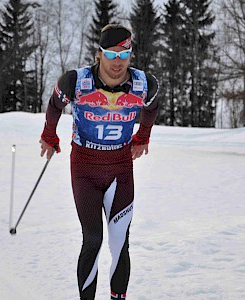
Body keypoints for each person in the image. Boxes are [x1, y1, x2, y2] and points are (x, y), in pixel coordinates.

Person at [39, 24, 159, 300]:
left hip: (120, 169)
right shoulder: (76, 81)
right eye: (111, 54)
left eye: (124, 54)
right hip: (85, 168)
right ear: (99, 54)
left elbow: (151, 108)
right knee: (92, 239)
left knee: (120, 244)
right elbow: (55, 105)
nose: (117, 62)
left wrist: (143, 136)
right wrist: (49, 134)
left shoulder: (143, 84)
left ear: (130, 54)